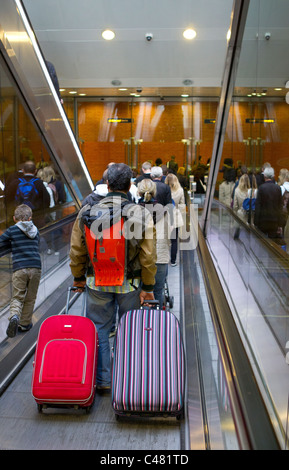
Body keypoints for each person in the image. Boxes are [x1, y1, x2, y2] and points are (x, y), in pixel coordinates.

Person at [69, 163, 156, 390]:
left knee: (99, 328)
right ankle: (126, 379)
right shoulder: (139, 213)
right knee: (129, 329)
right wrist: (147, 285)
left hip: (96, 280)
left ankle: (104, 381)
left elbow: (77, 250)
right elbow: (148, 256)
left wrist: (78, 277)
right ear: (129, 186)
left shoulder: (86, 212)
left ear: (107, 184)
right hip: (130, 282)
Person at [0, 205, 41, 338]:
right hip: (36, 267)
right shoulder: (36, 230)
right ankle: (25, 324)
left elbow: (1, 242)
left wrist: (10, 244)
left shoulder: (12, 230)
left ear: (14, 218)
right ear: (30, 218)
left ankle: (14, 316)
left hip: (20, 267)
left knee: (18, 296)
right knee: (31, 297)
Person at [138, 178, 170, 307]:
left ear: (139, 192)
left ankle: (140, 321)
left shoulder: (134, 211)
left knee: (140, 293)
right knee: (158, 291)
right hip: (161, 256)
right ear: (154, 192)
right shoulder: (165, 211)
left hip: (140, 259)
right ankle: (157, 322)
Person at [254, 166, 283, 242]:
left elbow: (258, 206)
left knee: (262, 243)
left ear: (264, 176)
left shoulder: (261, 188)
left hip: (262, 222)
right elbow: (280, 207)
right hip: (274, 222)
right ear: (273, 176)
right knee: (272, 245)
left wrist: (256, 222)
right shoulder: (278, 188)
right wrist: (280, 224)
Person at [165, 173, 185, 266]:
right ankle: (173, 261)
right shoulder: (180, 191)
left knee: (164, 238)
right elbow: (182, 205)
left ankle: (164, 258)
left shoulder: (164, 190)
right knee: (174, 240)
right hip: (175, 216)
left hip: (165, 215)